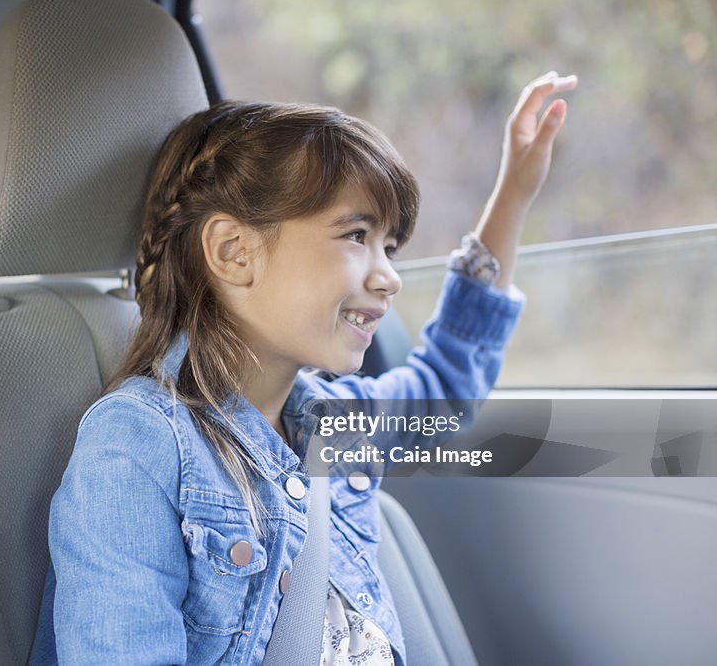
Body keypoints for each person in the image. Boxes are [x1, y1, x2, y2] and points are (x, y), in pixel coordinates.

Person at [31, 71, 578, 665]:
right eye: (356, 235)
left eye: (389, 247)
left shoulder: (335, 425)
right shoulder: (139, 445)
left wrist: (514, 195)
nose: (388, 275)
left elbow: (443, 392)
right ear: (234, 252)